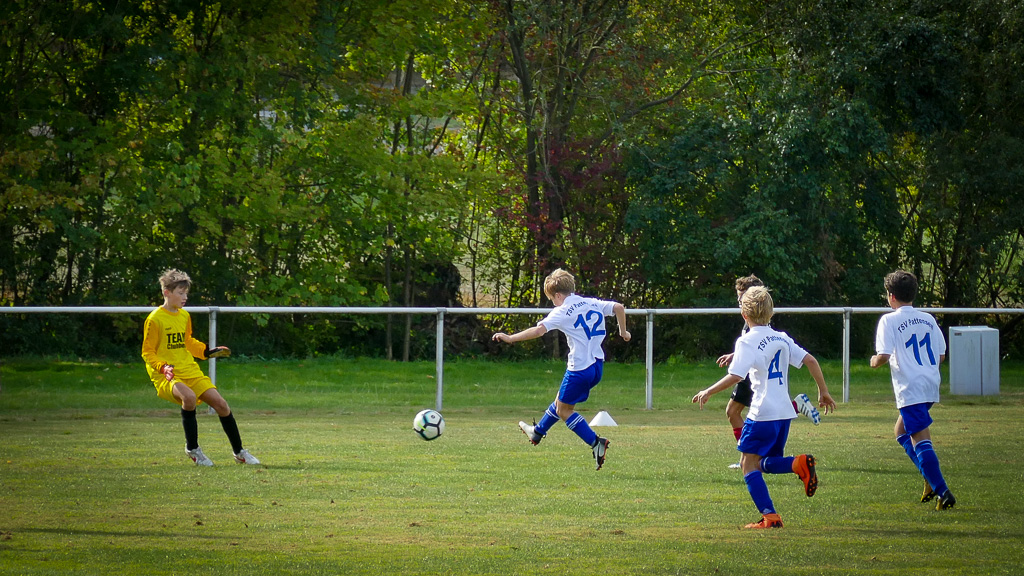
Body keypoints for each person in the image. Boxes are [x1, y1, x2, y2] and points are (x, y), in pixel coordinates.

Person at [693, 286, 836, 529]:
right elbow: (810, 359)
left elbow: (736, 376)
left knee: (747, 464)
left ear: (744, 315)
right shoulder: (781, 337)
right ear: (771, 313)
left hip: (762, 413)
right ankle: (797, 464)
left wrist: (708, 391)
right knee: (764, 462)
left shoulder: (747, 340)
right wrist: (823, 392)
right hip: (784, 414)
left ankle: (770, 516)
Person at [492, 268, 630, 471]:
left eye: (552, 299)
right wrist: (623, 331)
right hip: (597, 366)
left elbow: (539, 330)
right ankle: (537, 432)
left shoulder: (562, 310)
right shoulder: (591, 302)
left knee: (564, 410)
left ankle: (596, 443)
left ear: (557, 295)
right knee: (560, 401)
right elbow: (618, 307)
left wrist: (511, 338)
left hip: (579, 369)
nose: (553, 303)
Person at [141, 269, 260, 467]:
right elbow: (147, 352)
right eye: (181, 293)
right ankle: (193, 449)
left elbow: (187, 341)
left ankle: (239, 452)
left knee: (221, 404)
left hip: (190, 369)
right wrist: (163, 368)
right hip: (167, 374)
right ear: (166, 293)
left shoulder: (184, 316)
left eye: (186, 293)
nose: (185, 297)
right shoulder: (155, 319)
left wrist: (206, 351)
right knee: (188, 398)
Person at [870, 270, 955, 510]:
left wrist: (874, 361)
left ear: (891, 296)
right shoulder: (928, 318)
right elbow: (940, 354)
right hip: (930, 382)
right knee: (901, 431)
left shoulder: (890, 320)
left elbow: (884, 355)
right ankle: (929, 478)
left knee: (919, 438)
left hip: (911, 386)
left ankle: (942, 491)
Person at [717, 275, 821, 469]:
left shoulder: (756, 319)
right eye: (738, 298)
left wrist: (708, 392)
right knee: (738, 412)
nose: (739, 302)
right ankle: (794, 407)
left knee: (733, 411)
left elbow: (758, 348)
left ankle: (748, 458)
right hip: (755, 370)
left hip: (754, 373)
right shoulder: (755, 321)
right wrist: (735, 355)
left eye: (742, 298)